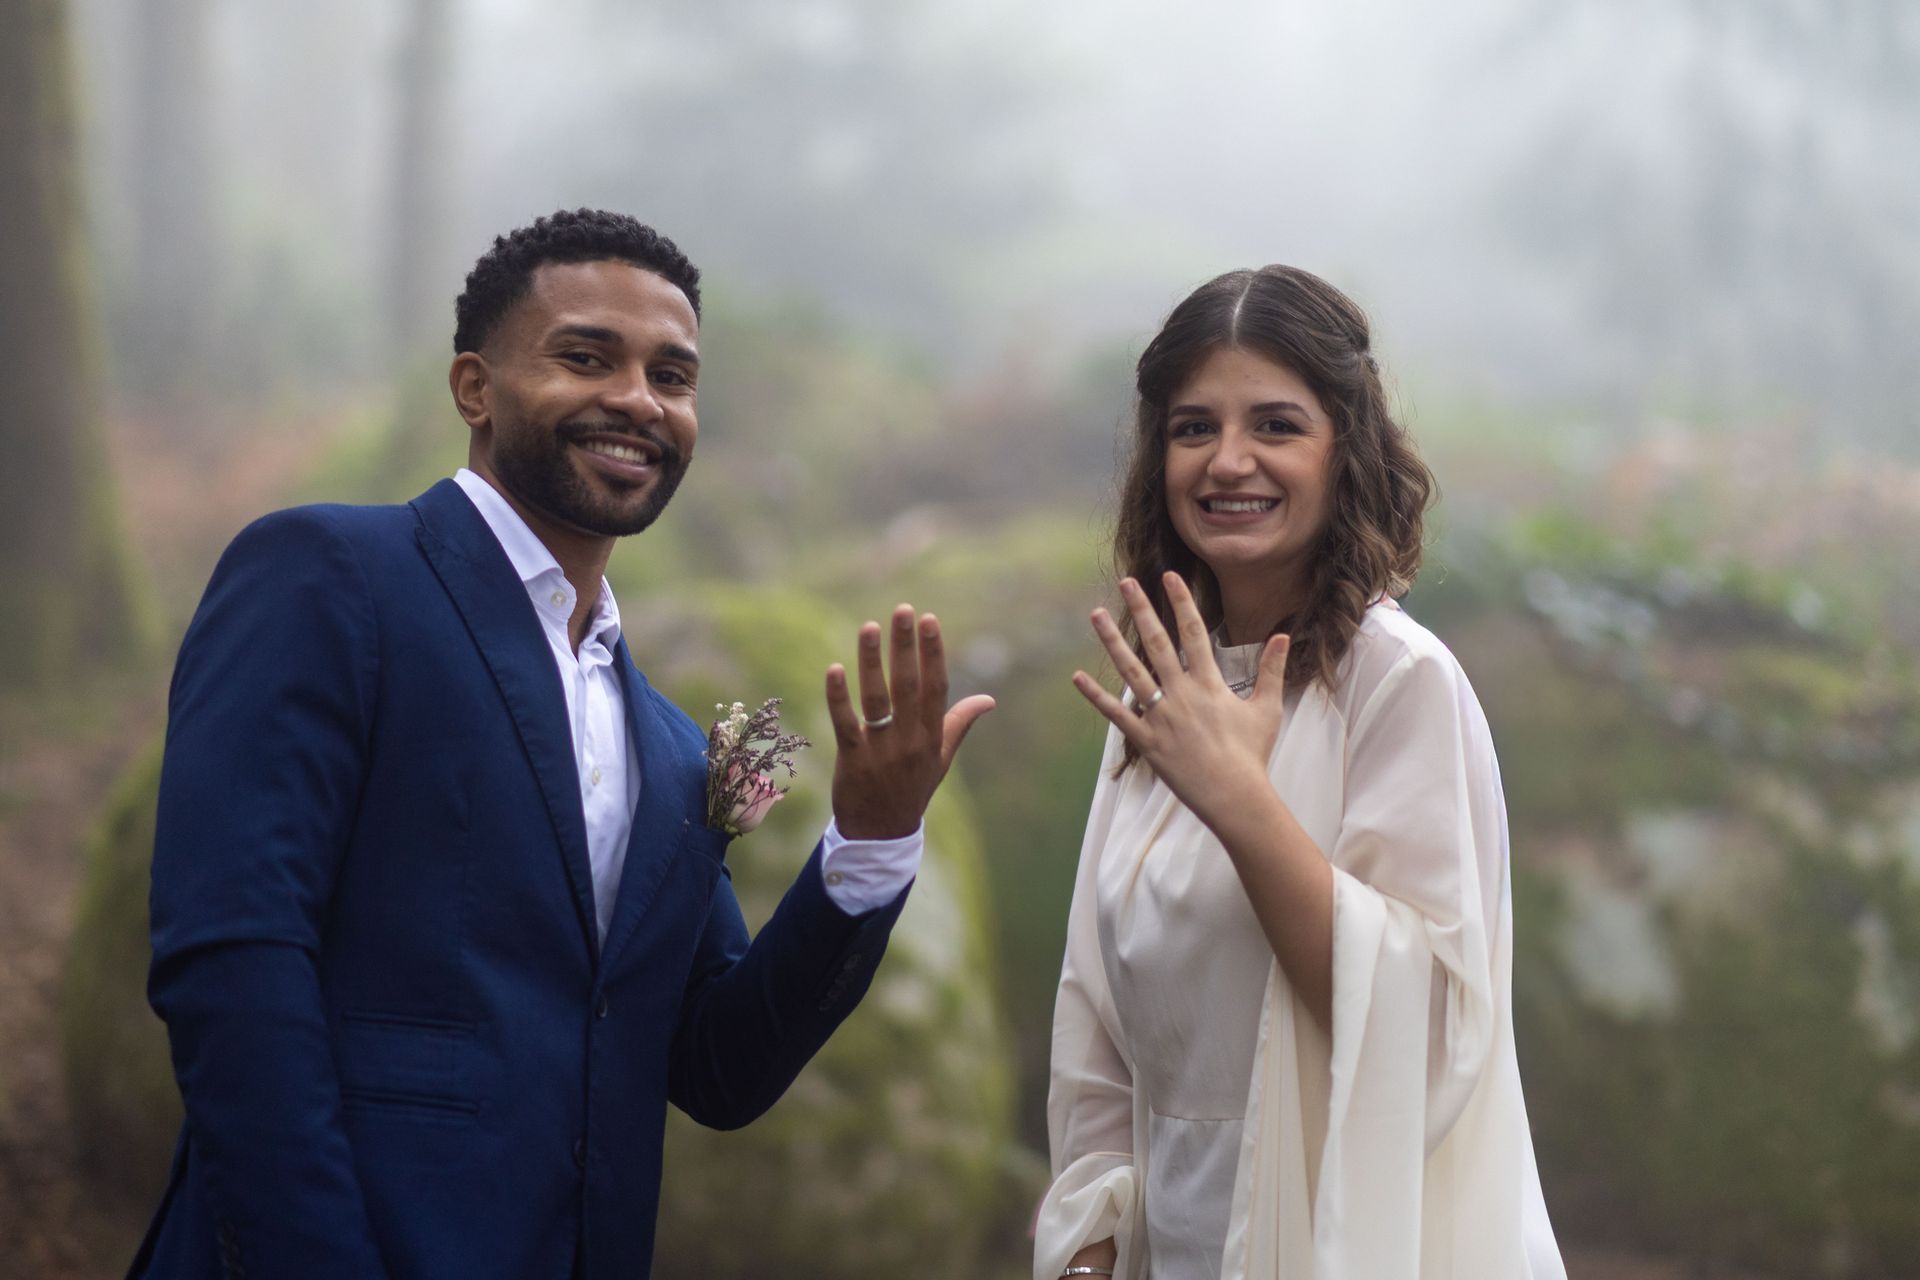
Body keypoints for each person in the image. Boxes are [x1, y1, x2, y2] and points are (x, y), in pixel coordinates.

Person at [130, 208, 994, 1280]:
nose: (637, 398)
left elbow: (720, 1069)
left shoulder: (676, 748)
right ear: (475, 387)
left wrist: (871, 844)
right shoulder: (328, 576)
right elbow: (234, 953)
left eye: (672, 376)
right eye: (586, 356)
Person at [1036, 266, 1564, 1279]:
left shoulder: (1398, 681)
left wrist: (1243, 803)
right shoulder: (1166, 695)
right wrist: (1091, 1243)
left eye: (1275, 424)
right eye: (1193, 428)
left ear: (1343, 448)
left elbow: (1429, 1021)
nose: (1228, 461)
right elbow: (1094, 1007)